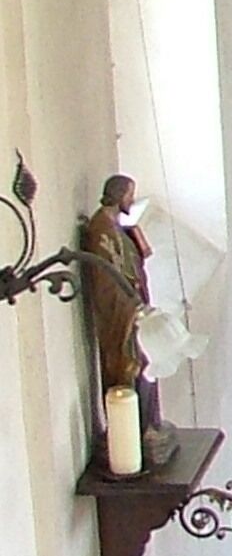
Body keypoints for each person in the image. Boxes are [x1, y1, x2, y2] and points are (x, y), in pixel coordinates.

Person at [78, 175, 177, 463]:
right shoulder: (101, 229)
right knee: (134, 367)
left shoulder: (114, 227)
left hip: (134, 310)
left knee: (147, 364)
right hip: (122, 316)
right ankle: (135, 433)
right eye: (129, 195)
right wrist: (133, 308)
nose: (131, 201)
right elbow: (107, 282)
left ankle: (146, 428)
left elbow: (126, 266)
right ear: (118, 195)